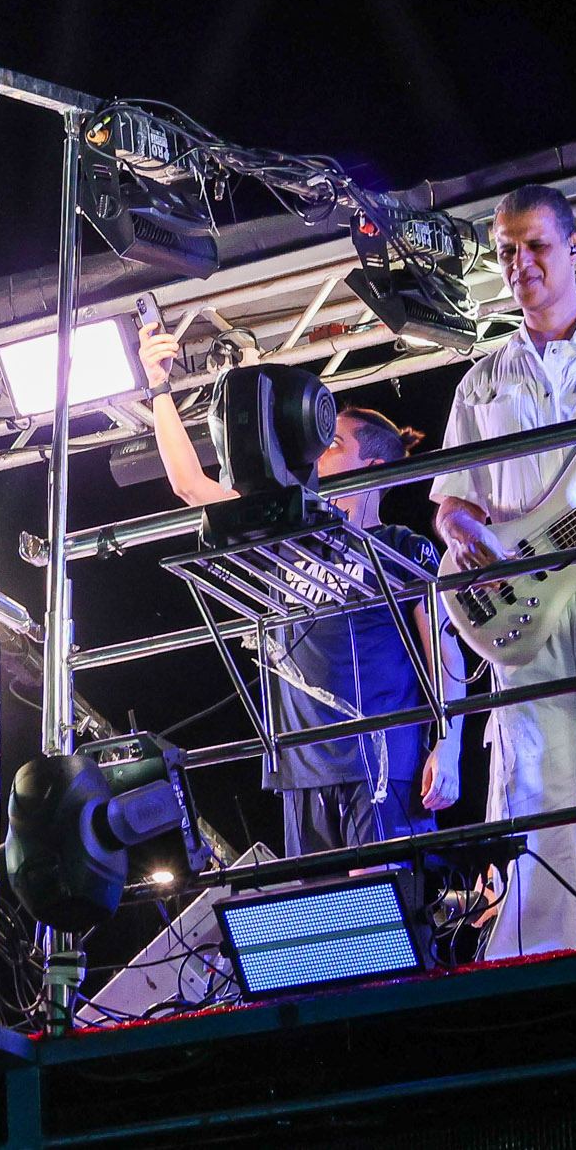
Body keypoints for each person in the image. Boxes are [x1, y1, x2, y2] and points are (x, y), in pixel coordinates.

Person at [136, 323, 465, 855]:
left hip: (382, 758)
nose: (316, 454)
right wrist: (158, 387)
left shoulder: (400, 545)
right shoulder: (289, 540)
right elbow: (190, 485)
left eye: (332, 443)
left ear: (372, 466)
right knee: (316, 901)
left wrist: (449, 746)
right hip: (301, 765)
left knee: (376, 897)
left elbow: (444, 653)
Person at [431, 183, 576, 958]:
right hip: (520, 609)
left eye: (535, 246)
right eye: (506, 251)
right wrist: (463, 532)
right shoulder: (481, 379)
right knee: (536, 799)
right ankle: (541, 962)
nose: (519, 262)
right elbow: (451, 502)